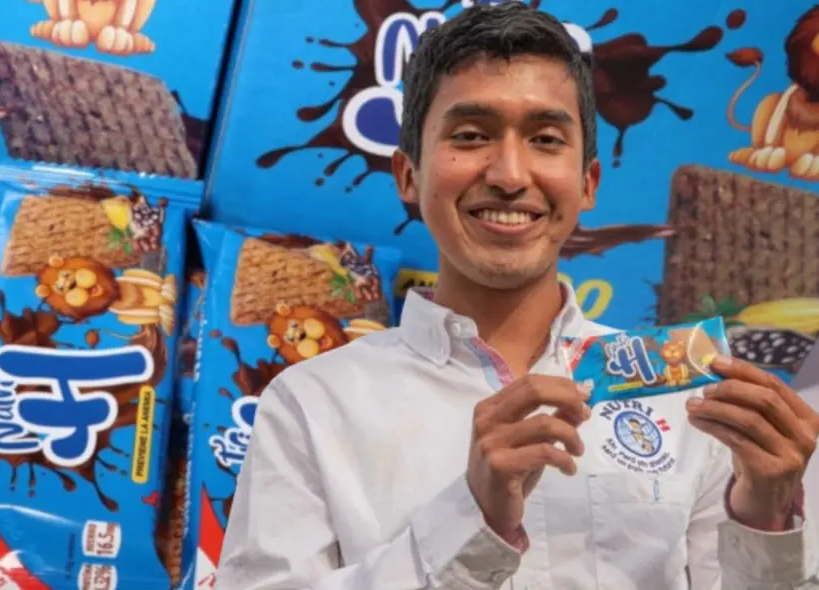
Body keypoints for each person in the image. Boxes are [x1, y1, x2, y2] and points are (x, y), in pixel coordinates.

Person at [213, 3, 819, 588]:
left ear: (588, 183)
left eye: (547, 139)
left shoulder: (685, 398)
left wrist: (766, 519)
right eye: (472, 135)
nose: (508, 175)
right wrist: (471, 519)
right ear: (408, 175)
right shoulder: (310, 407)